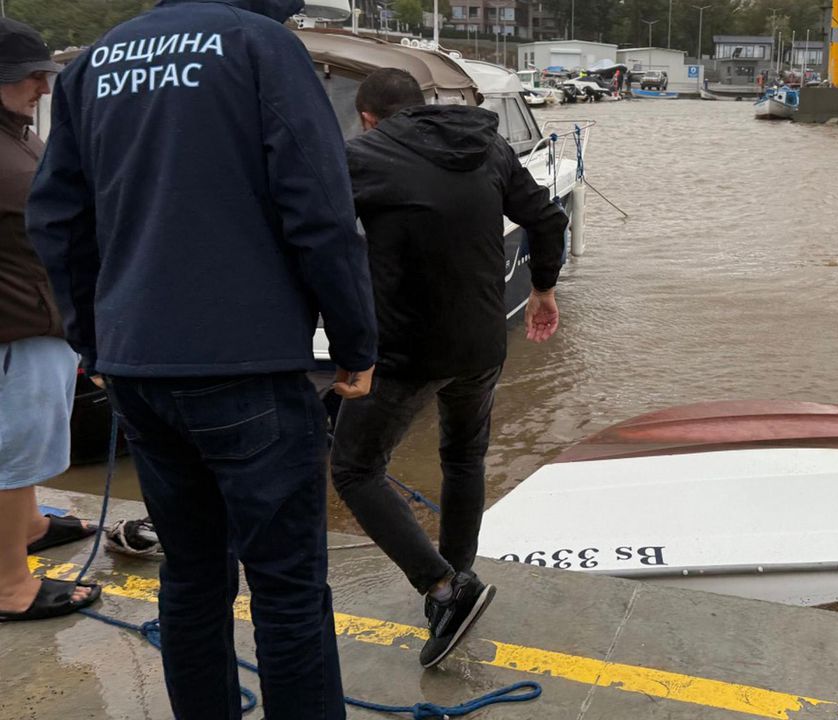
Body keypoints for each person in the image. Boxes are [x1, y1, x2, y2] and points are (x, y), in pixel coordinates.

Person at [27, 1, 377, 717]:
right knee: (286, 585)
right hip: (245, 363)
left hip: (136, 369)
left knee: (190, 575)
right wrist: (355, 341)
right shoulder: (262, 46)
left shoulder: (96, 61)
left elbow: (57, 217)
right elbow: (319, 207)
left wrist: (93, 339)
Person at [331, 68, 567, 669]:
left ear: (367, 116)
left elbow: (313, 236)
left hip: (407, 348)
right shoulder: (488, 144)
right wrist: (541, 288)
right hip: (483, 341)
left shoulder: (364, 154)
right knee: (463, 458)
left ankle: (443, 588)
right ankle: (460, 581)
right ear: (426, 104)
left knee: (355, 469)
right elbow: (547, 219)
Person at [0, 17, 101, 623]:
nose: (42, 85)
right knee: (13, 454)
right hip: (15, 328)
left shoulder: (16, 133)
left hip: (40, 319)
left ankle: (31, 527)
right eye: (26, 76)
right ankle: (11, 584)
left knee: (32, 445)